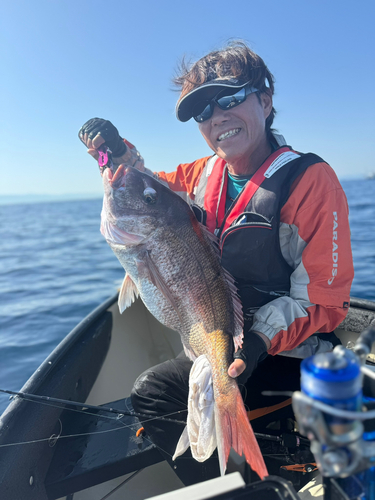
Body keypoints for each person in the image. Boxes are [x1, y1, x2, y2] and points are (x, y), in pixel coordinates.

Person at [78, 41, 354, 485]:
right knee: (150, 394)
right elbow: (144, 189)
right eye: (203, 112)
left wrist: (258, 341)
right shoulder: (201, 174)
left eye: (229, 99)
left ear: (265, 101)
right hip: (221, 339)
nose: (216, 117)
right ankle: (235, 483)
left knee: (155, 392)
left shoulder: (309, 181)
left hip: (286, 350)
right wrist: (113, 152)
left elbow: (325, 303)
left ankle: (265, 478)